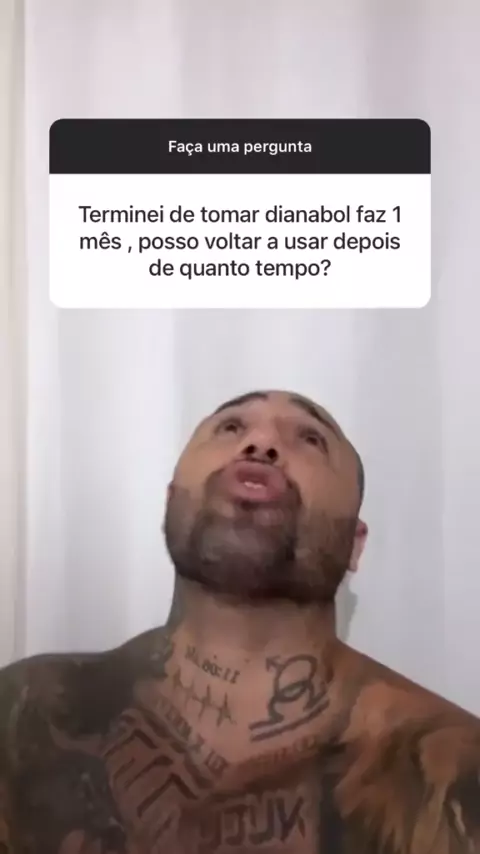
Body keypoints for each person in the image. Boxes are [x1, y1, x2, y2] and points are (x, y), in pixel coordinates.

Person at [0, 389, 479, 854]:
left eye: (310, 439)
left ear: (355, 543)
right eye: (231, 427)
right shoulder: (25, 712)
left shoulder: (452, 768)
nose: (261, 443)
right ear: (170, 504)